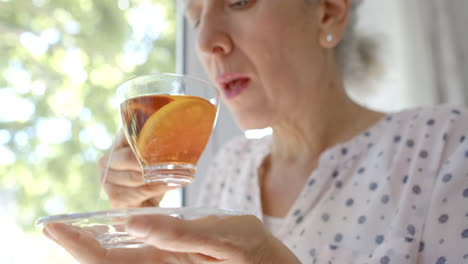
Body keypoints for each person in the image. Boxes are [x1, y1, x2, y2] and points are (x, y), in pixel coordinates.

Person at [43, 0, 468, 263]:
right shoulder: (230, 169)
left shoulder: (445, 147)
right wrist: (137, 223)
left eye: (240, 1)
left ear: (327, 12)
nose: (208, 42)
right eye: (195, 17)